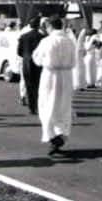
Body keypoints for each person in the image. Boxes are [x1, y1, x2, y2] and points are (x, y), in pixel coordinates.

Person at [32, 16, 76, 156]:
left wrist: (46, 60)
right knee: (63, 106)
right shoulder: (69, 41)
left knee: (47, 104)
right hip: (67, 76)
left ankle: (53, 136)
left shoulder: (46, 41)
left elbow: (37, 59)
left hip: (51, 76)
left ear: (50, 26)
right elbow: (74, 60)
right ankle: (61, 134)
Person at [18, 17, 45, 115]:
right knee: (38, 86)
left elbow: (19, 52)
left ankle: (31, 107)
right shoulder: (42, 37)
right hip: (38, 64)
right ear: (38, 25)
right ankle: (38, 106)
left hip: (26, 63)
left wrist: (26, 57)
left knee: (28, 86)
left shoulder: (23, 36)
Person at [73, 27, 88, 91]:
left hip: (79, 60)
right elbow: (83, 53)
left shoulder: (80, 43)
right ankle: (79, 84)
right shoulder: (80, 44)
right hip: (79, 60)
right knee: (79, 72)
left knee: (80, 72)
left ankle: (80, 84)